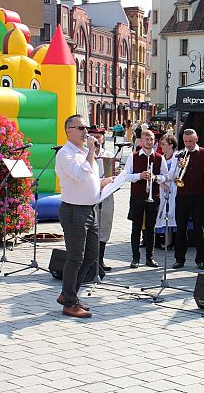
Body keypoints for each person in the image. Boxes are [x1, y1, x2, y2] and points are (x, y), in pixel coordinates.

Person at [55, 114, 113, 318]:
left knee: (91, 255)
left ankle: (67, 293)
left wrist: (103, 182)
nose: (84, 131)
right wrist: (90, 151)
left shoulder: (82, 152)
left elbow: (89, 178)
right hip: (74, 210)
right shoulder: (65, 153)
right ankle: (69, 303)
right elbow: (79, 175)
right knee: (75, 258)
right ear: (68, 131)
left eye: (85, 127)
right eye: (80, 128)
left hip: (90, 209)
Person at [172, 129, 204, 270]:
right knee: (181, 229)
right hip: (182, 196)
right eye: (185, 141)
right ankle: (179, 259)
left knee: (199, 229)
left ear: (196, 139)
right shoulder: (178, 154)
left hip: (199, 196)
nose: (188, 144)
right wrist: (178, 167)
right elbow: (171, 176)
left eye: (190, 141)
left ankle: (200, 259)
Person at [124, 130, 169, 268]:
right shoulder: (133, 157)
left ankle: (150, 258)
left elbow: (166, 176)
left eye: (151, 139)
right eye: (146, 139)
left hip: (153, 197)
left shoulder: (159, 158)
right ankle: (135, 258)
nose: (149, 142)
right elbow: (126, 176)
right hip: (137, 197)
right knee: (136, 228)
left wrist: (156, 178)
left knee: (150, 228)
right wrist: (140, 176)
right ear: (141, 141)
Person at [89, 127, 117, 272]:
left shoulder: (109, 155)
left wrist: (115, 177)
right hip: (90, 195)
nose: (96, 140)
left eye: (98, 137)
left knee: (105, 226)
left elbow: (113, 175)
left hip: (106, 194)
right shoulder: (85, 154)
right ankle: (90, 261)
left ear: (103, 138)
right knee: (91, 227)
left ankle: (100, 260)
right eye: (92, 137)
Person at [154, 134, 178, 249]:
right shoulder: (161, 158)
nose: (161, 146)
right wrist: (161, 183)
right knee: (162, 213)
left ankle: (171, 241)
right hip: (161, 188)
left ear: (171, 145)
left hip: (173, 188)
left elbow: (174, 174)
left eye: (163, 144)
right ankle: (164, 240)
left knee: (170, 212)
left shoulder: (177, 158)